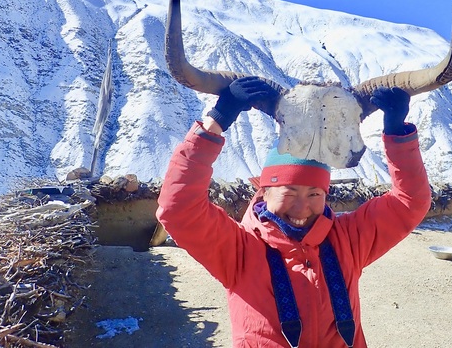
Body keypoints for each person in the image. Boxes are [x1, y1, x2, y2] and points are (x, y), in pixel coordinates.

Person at [156, 76, 432, 347]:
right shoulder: (239, 250)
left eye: (314, 194)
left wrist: (398, 135)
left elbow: (410, 202)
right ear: (264, 191)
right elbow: (178, 209)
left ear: (326, 195)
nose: (302, 208)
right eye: (289, 193)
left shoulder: (348, 241)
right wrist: (216, 122)